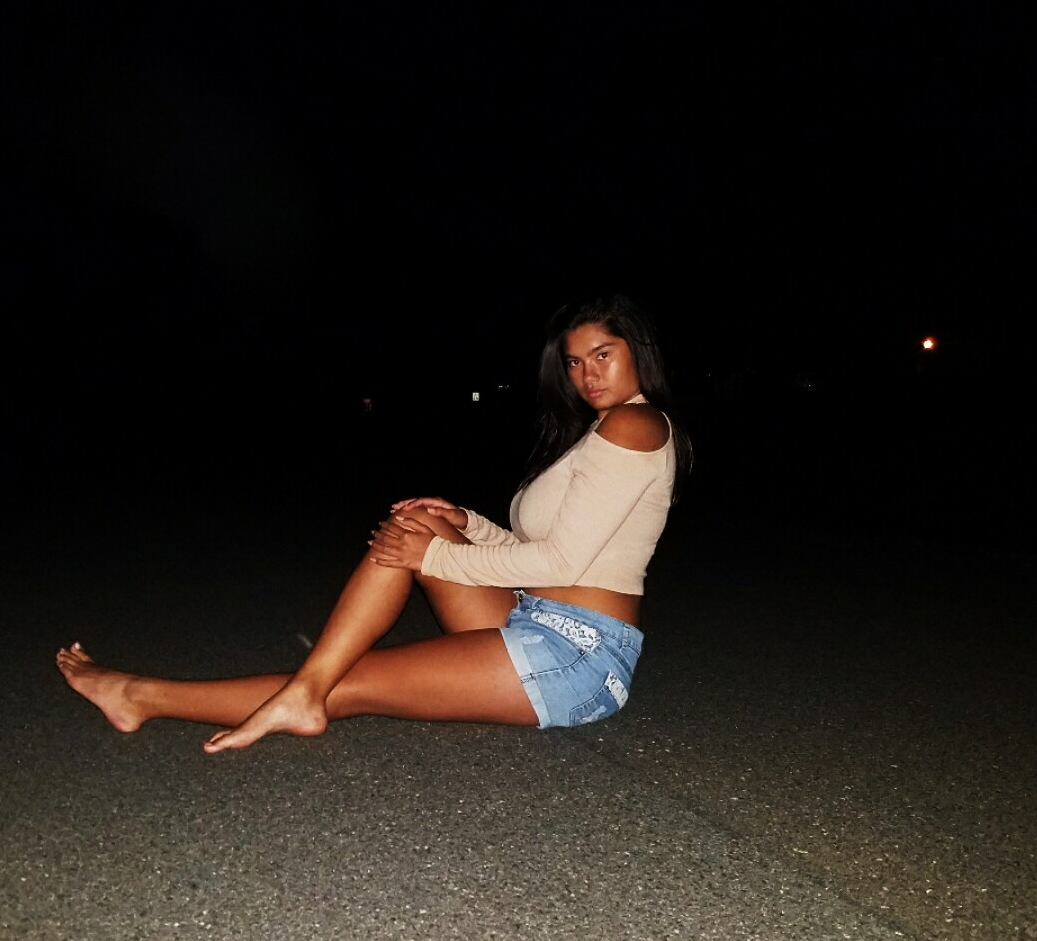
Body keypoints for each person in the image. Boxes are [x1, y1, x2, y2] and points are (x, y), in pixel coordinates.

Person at [56, 294, 693, 752]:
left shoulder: (634, 424)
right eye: (575, 362)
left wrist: (434, 558)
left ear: (637, 352)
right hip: (535, 619)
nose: (588, 374)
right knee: (421, 522)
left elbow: (563, 564)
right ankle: (309, 686)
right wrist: (463, 523)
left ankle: (146, 696)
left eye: (602, 354)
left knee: (351, 680)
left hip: (576, 657)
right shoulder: (601, 433)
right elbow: (542, 548)